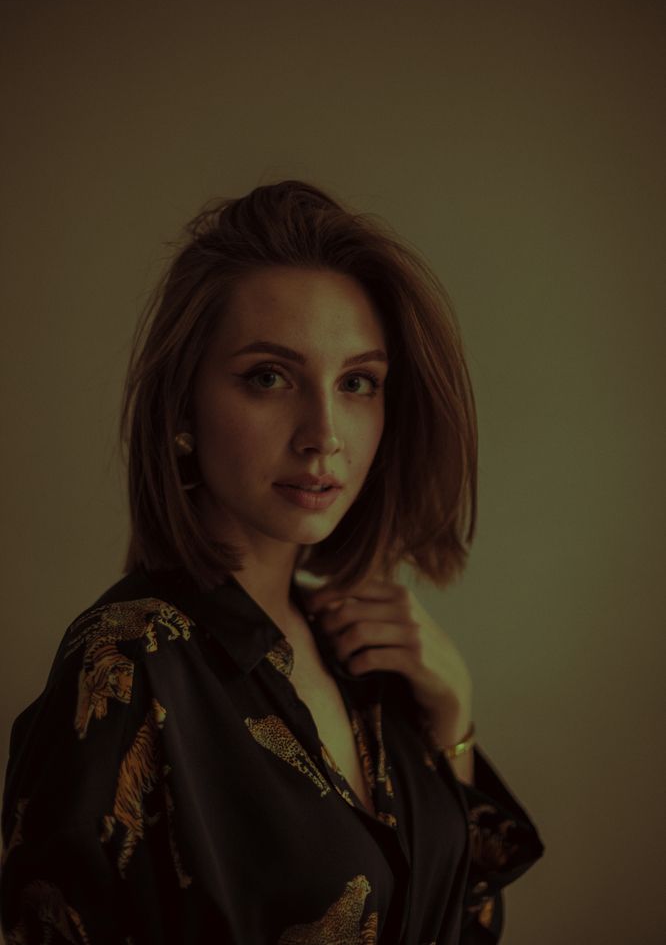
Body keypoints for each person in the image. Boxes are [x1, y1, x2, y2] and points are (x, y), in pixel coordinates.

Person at [0, 180, 544, 944]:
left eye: (357, 383)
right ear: (182, 408)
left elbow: (459, 923)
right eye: (269, 377)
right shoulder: (124, 665)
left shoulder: (363, 658)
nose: (325, 433)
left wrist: (452, 724)